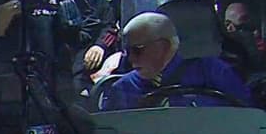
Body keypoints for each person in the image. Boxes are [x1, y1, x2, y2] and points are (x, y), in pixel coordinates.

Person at [101, 12, 251, 111]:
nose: (131, 59)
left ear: (164, 46)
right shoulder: (122, 89)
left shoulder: (215, 73)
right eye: (127, 52)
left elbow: (249, 120)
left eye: (137, 50)